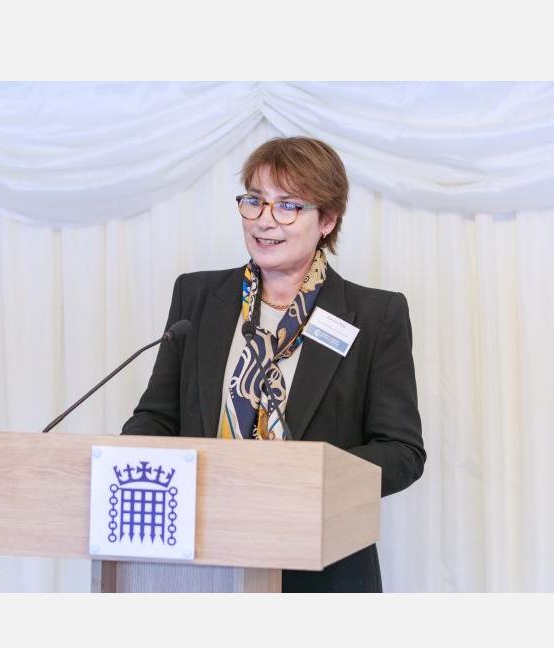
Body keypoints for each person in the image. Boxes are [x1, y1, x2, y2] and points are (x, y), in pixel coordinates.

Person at [122, 136, 425, 592]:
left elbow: (402, 451)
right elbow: (157, 417)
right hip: (198, 562)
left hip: (324, 570)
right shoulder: (198, 298)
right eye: (255, 202)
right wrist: (130, 462)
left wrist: (306, 480)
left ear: (327, 219)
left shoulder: (374, 316)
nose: (265, 221)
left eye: (288, 206)